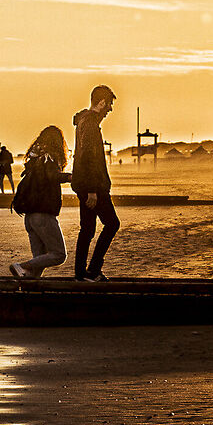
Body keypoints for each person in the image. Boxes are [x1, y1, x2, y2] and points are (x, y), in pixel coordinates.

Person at [71, 83, 120, 281]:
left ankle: (81, 273)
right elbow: (88, 156)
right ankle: (92, 270)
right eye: (108, 104)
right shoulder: (90, 123)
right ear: (100, 102)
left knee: (88, 228)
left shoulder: (83, 120)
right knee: (112, 224)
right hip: (93, 186)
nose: (110, 109)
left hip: (84, 184)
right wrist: (92, 190)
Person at [9, 127, 65, 279]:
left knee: (39, 258)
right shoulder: (50, 158)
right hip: (43, 215)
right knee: (59, 254)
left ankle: (29, 287)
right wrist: (72, 177)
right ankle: (21, 266)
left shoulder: (34, 161)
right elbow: (53, 176)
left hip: (29, 216)